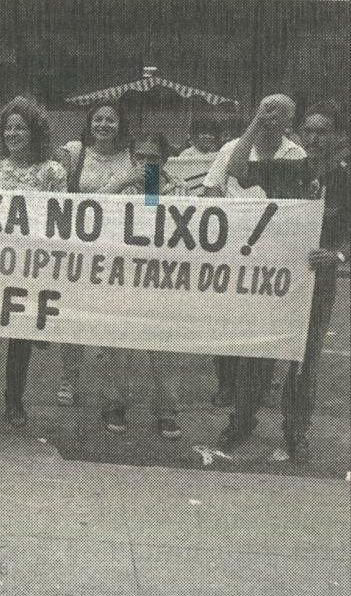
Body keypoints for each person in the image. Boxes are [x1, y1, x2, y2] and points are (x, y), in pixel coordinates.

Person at [201, 94, 312, 449]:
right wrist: (254, 126)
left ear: (290, 120)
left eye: (280, 112)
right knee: (231, 325)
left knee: (264, 335)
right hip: (236, 250)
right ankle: (230, 387)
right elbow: (215, 186)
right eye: (266, 109)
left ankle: (251, 403)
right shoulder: (234, 148)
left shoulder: (296, 156)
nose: (271, 116)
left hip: (277, 255)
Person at [0, 97, 67, 429]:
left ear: (35, 132)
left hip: (28, 270)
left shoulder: (52, 172)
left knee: (20, 339)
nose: (13, 133)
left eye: (21, 127)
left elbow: (61, 222)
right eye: (8, 127)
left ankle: (14, 401)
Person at [54, 100, 136, 418]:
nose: (103, 125)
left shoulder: (137, 155)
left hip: (119, 254)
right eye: (98, 119)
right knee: (73, 318)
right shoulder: (74, 152)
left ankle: (112, 392)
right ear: (89, 123)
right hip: (80, 250)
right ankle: (68, 379)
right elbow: (58, 193)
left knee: (112, 323)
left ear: (121, 125)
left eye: (111, 120)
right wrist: (120, 183)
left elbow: (155, 201)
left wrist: (143, 177)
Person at [104, 132, 189, 440]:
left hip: (163, 280)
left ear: (164, 161)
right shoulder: (120, 183)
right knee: (120, 349)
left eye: (152, 158)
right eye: (139, 157)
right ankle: (115, 404)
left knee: (165, 350)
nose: (144, 163)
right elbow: (89, 209)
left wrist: (154, 190)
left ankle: (167, 410)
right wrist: (124, 182)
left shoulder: (179, 189)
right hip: (124, 277)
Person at [282, 101, 348, 459]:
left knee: (307, 356)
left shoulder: (345, 177)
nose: (314, 137)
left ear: (335, 136)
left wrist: (337, 255)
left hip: (320, 279)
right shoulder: (289, 170)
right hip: (279, 277)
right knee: (263, 352)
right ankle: (243, 420)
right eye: (308, 130)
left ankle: (297, 430)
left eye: (322, 131)